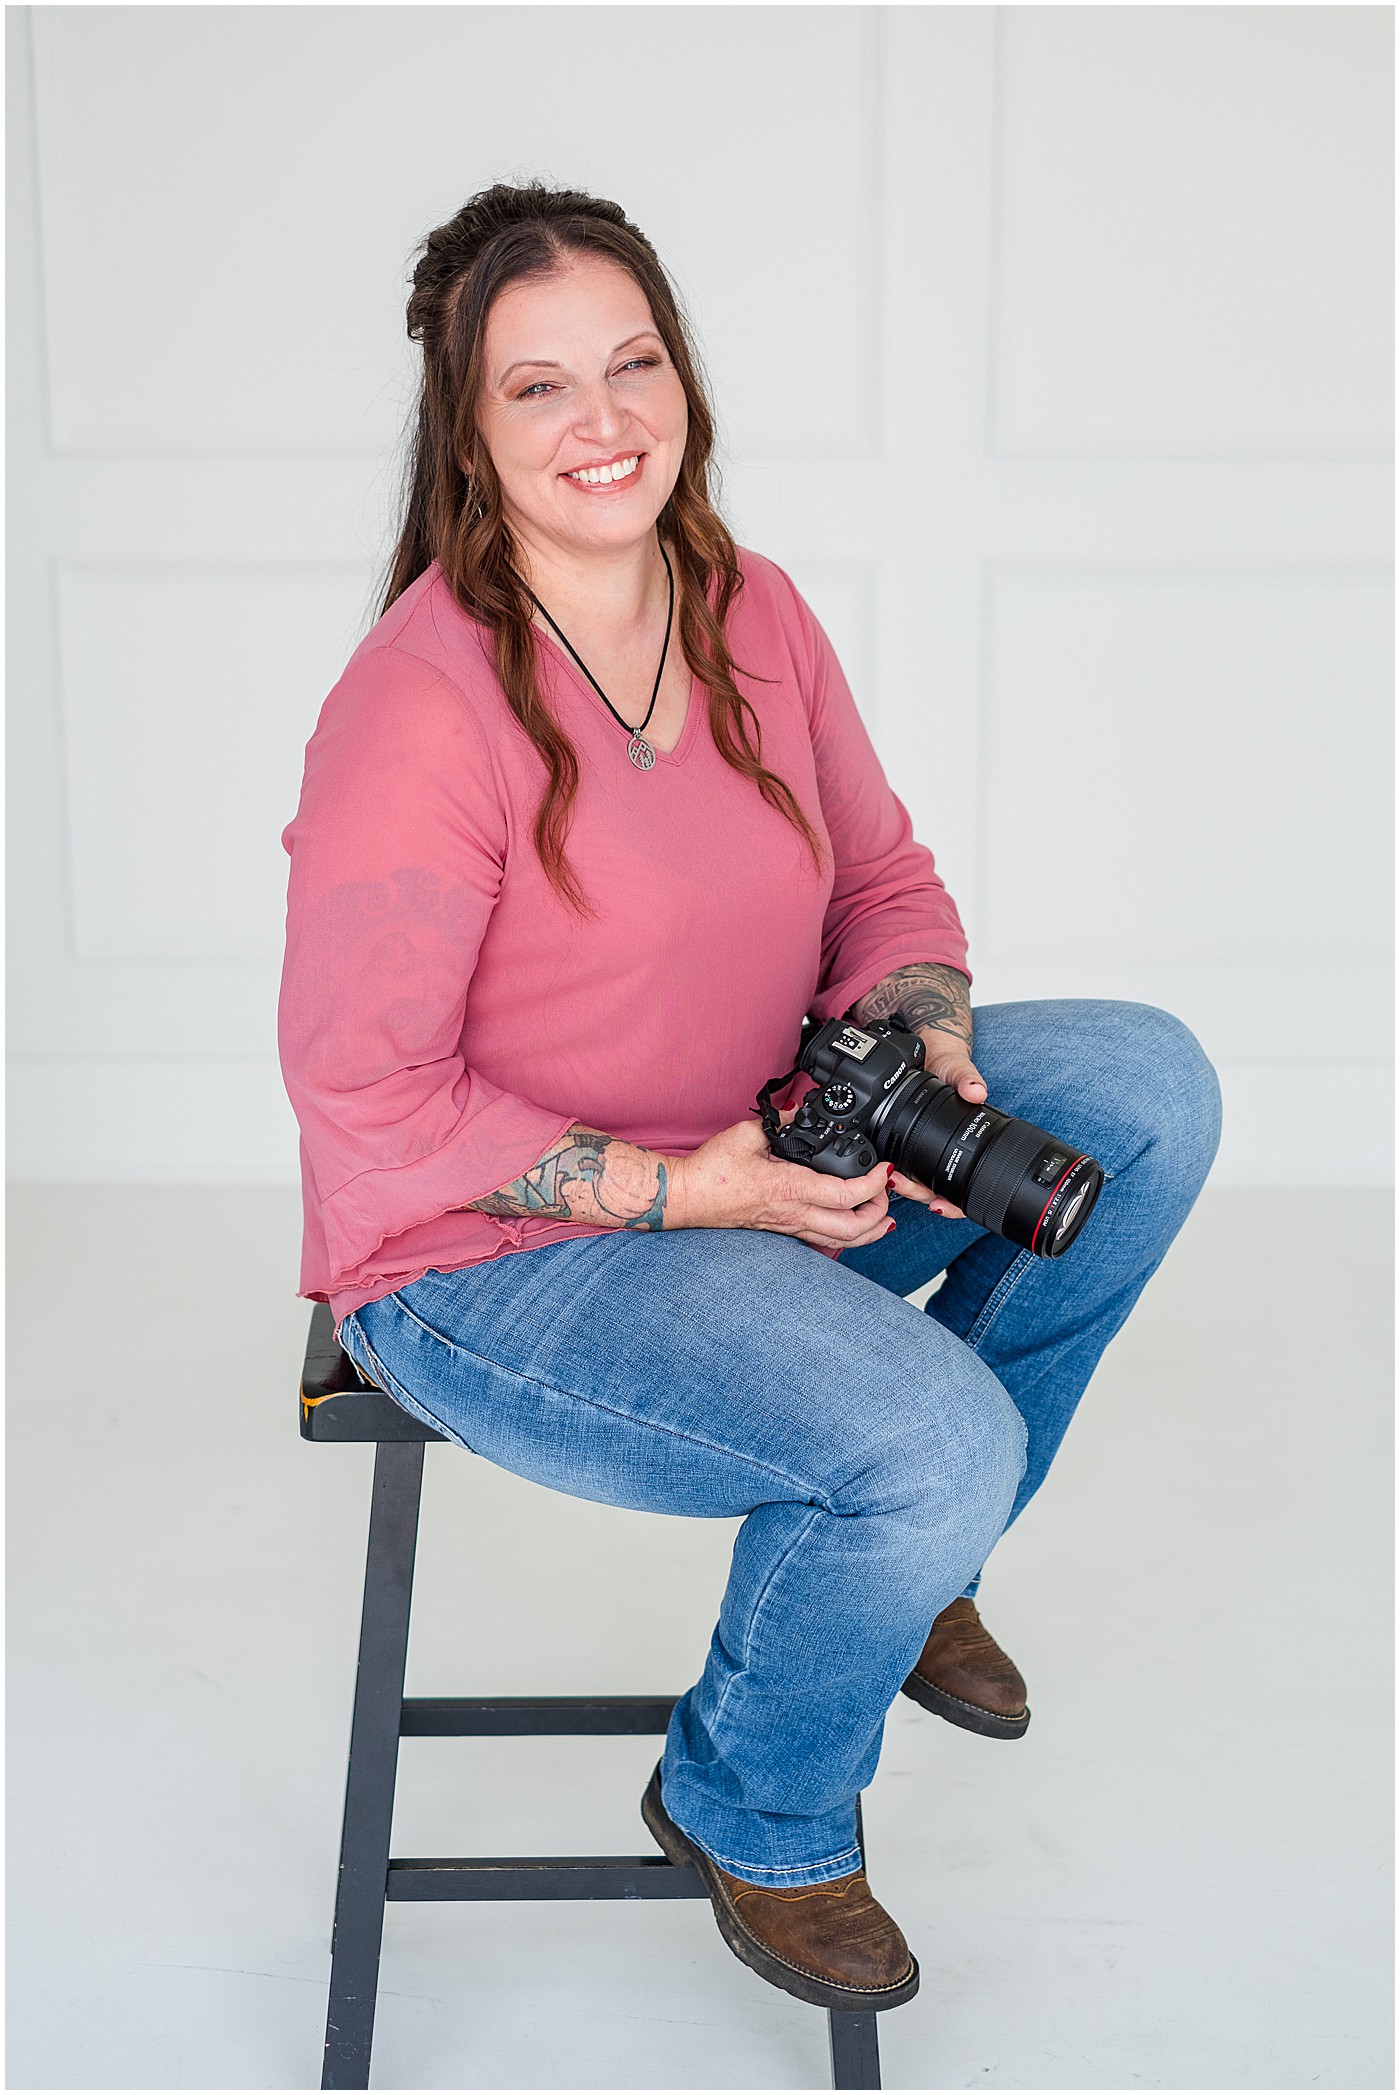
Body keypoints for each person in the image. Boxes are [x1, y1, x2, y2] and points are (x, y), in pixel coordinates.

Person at [278, 182, 1222, 2018]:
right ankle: (754, 1801)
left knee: (1143, 1089)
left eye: (633, 365)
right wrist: (678, 1191)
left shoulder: (749, 611)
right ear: (471, 440)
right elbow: (364, 1091)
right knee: (931, 1434)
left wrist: (920, 1029)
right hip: (487, 1254)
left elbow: (882, 882)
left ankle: (912, 1563)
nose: (603, 421)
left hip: (767, 1138)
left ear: (683, 380)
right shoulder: (420, 703)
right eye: (539, 388)